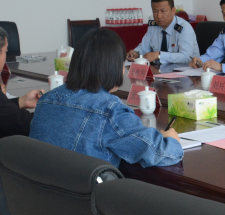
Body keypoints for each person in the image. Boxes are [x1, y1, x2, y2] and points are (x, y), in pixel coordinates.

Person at [30, 28, 182, 168]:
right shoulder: (109, 110)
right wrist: (171, 140)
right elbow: (160, 152)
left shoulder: (46, 100)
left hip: (42, 187)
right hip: (88, 189)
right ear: (113, 68)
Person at [127, 0, 199, 65]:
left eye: (163, 11)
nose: (159, 16)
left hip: (185, 70)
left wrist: (159, 55)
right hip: (160, 69)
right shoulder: (153, 27)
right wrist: (136, 53)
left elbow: (186, 57)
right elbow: (144, 48)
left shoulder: (184, 28)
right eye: (155, 11)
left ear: (173, 11)